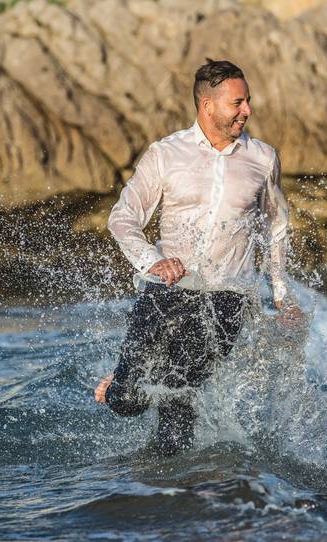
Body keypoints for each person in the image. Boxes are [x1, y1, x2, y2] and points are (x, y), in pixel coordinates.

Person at [94, 58, 301, 455]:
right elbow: (122, 217)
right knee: (127, 402)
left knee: (177, 403)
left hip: (227, 300)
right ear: (208, 106)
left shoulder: (262, 159)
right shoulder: (166, 155)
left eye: (248, 101)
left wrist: (280, 295)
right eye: (237, 103)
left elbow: (276, 228)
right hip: (166, 291)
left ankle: (182, 501)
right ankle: (123, 380)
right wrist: (151, 260)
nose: (248, 111)